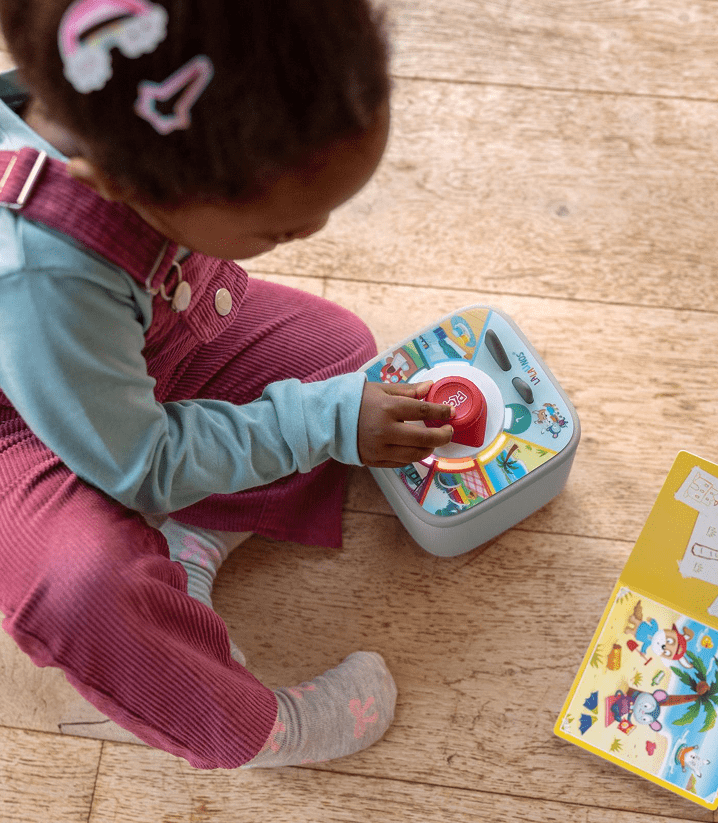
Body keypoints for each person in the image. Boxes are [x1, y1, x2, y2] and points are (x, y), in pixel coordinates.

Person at [0, 0, 455, 769]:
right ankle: (254, 729)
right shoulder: (38, 270)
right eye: (279, 228)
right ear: (119, 185)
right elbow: (137, 463)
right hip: (23, 434)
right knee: (86, 587)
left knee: (336, 353)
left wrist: (329, 410)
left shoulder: (109, 112)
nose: (311, 233)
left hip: (120, 358)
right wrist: (326, 423)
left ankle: (194, 532)